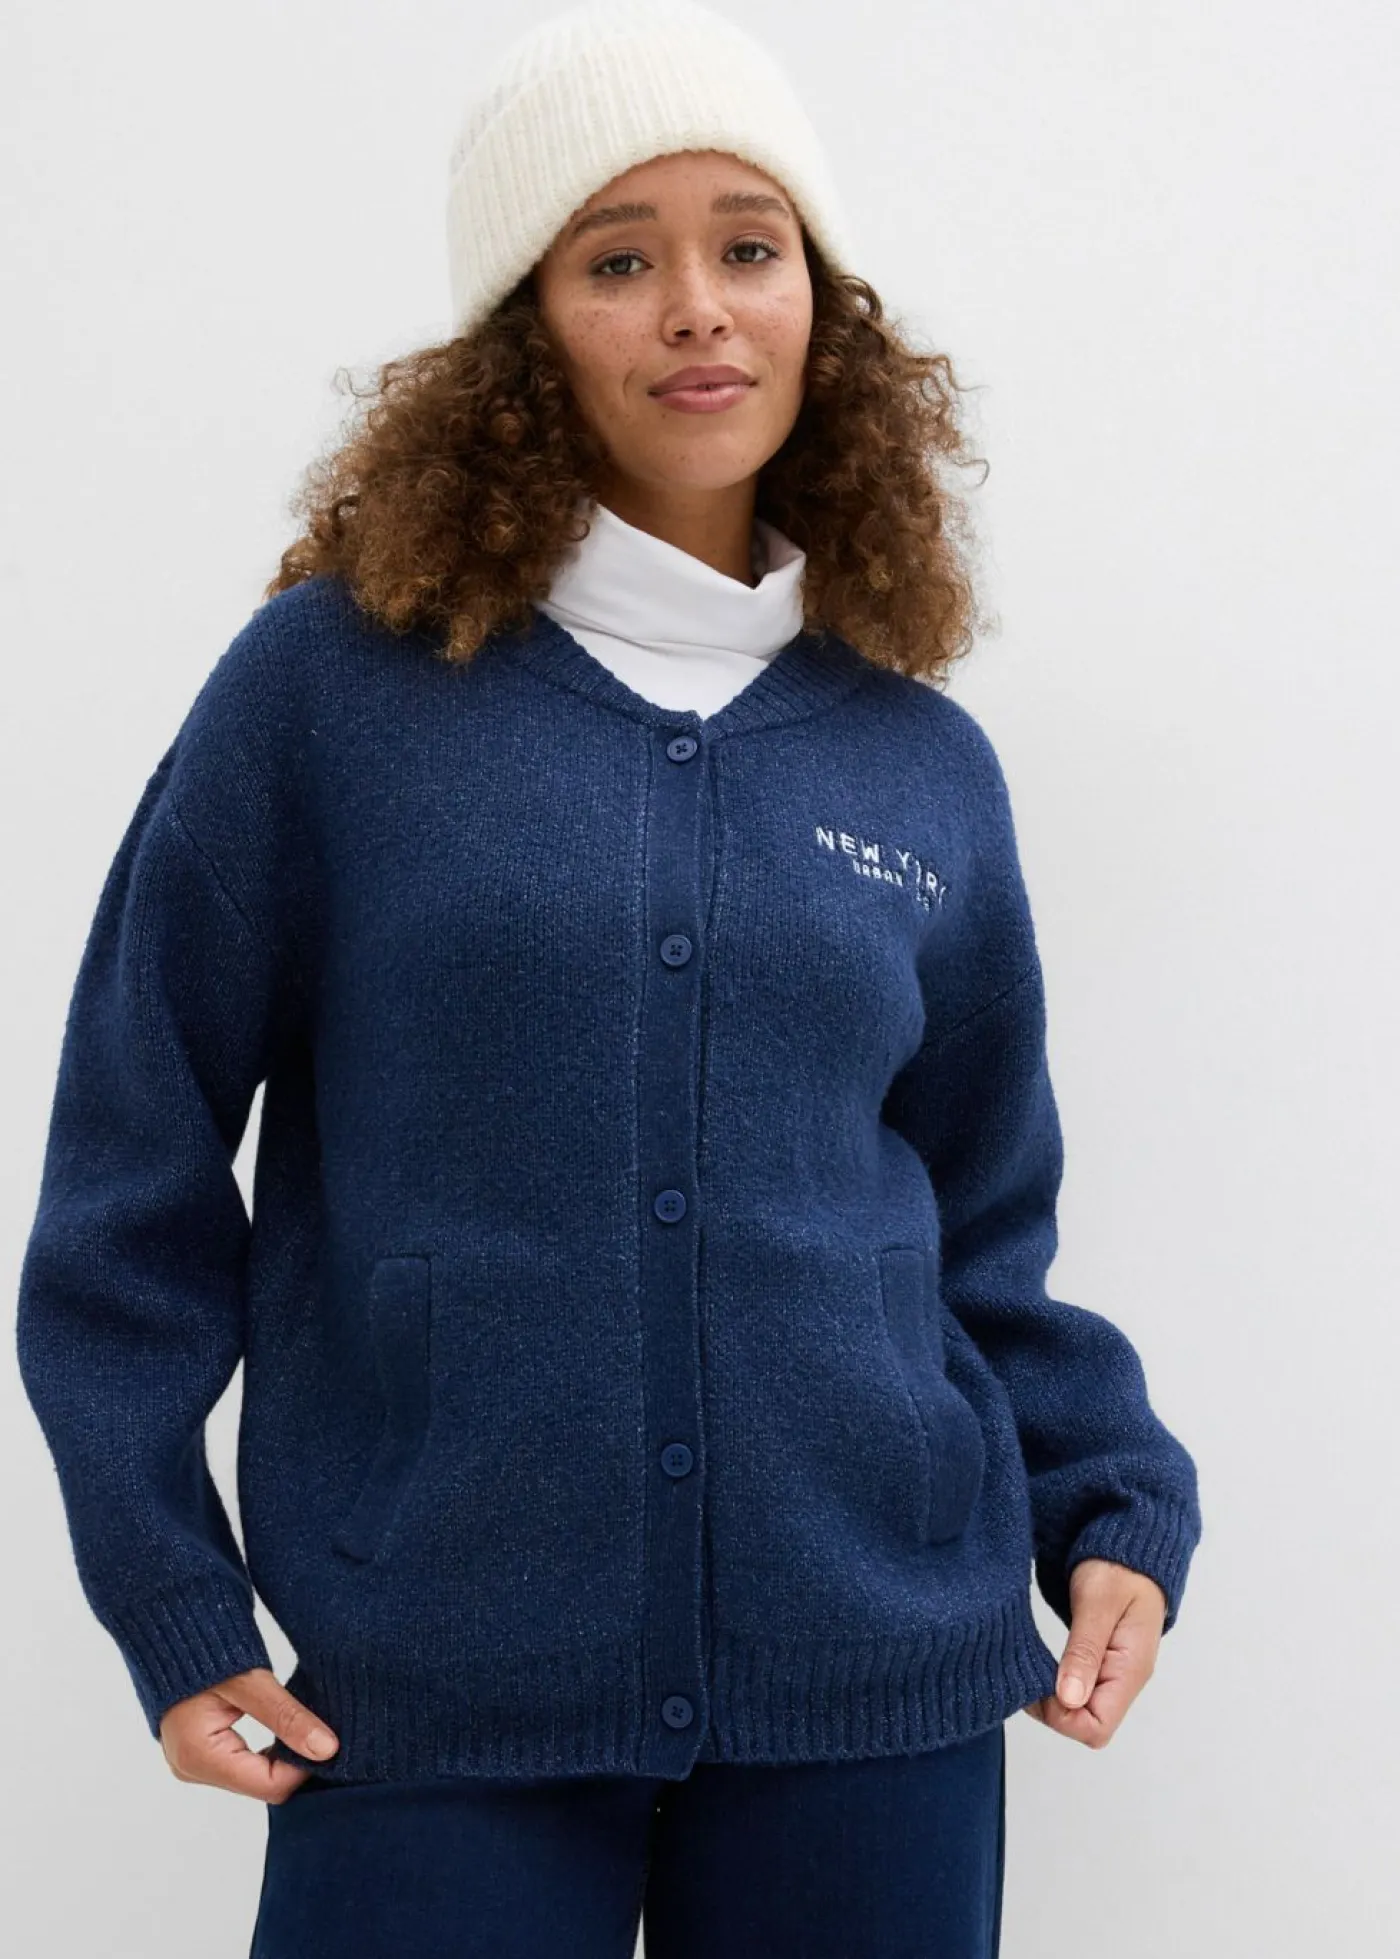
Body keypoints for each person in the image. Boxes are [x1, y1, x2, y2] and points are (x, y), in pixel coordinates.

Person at [14, 2, 1203, 1953]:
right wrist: (168, 1592)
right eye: (617, 259)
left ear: (820, 302)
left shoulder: (918, 759)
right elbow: (128, 1180)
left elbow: (985, 1225)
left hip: (875, 1692)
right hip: (430, 1687)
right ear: (521, 332)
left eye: (749, 244)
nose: (698, 307)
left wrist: (1111, 1502)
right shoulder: (327, 694)